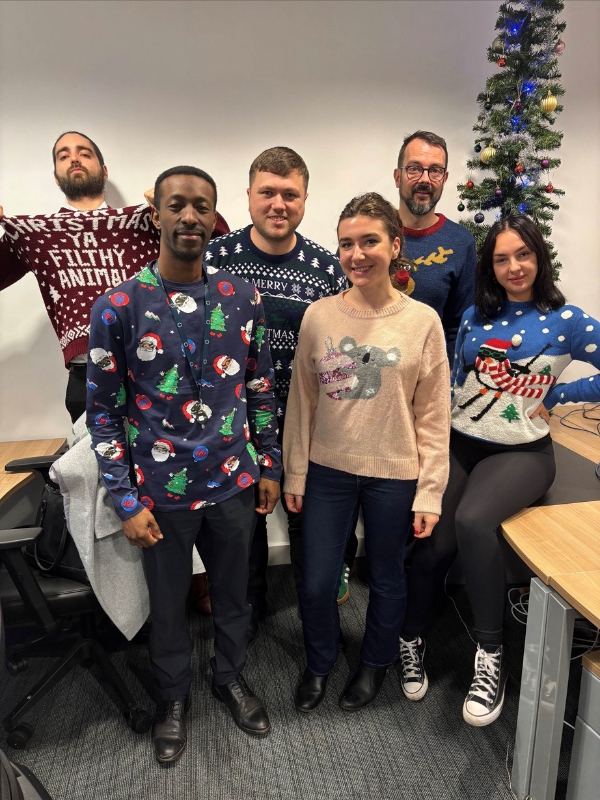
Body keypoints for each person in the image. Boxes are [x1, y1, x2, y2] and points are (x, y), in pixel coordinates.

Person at [87, 165, 282, 762]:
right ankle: (173, 697)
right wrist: (125, 500)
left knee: (234, 595)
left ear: (214, 216)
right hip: (160, 492)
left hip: (231, 480)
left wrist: (268, 463)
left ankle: (229, 677)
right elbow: (103, 415)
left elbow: (260, 386)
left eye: (201, 206)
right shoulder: (117, 306)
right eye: (177, 206)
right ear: (158, 215)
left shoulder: (242, 297)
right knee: (167, 605)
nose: (190, 217)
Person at [399, 215, 600, 726]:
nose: (514, 267)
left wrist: (560, 394)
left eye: (523, 254)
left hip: (523, 454)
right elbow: (457, 381)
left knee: (471, 521)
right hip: (462, 444)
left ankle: (491, 658)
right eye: (502, 258)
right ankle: (409, 637)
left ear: (539, 256)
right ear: (490, 266)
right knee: (432, 541)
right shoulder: (474, 316)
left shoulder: (566, 319)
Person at [282, 192, 450, 713]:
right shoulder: (319, 316)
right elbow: (302, 403)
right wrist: (295, 474)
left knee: (386, 577)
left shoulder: (422, 322)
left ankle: (375, 663)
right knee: (314, 582)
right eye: (346, 244)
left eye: (369, 241)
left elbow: (433, 416)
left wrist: (430, 492)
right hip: (328, 470)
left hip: (394, 474)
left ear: (395, 246)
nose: (357, 254)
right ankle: (320, 662)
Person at [203, 146, 348, 639]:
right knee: (243, 539)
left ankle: (319, 626)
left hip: (308, 426)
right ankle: (250, 623)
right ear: (248, 197)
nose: (278, 203)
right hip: (234, 428)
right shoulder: (214, 260)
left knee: (313, 535)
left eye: (290, 194)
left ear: (305, 199)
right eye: (267, 192)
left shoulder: (327, 269)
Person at [0, 130, 228, 423]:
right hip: (86, 375)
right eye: (64, 155)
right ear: (56, 177)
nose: (74, 159)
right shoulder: (37, 237)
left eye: (84, 153)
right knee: (94, 468)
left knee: (163, 463)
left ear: (104, 170)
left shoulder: (146, 221)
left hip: (150, 365)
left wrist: (171, 202)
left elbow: (219, 236)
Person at [393, 130, 476, 361]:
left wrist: (446, 380)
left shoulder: (461, 243)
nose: (425, 179)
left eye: (435, 171)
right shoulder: (370, 233)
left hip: (430, 377)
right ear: (397, 176)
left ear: (444, 179)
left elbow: (459, 327)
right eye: (414, 168)